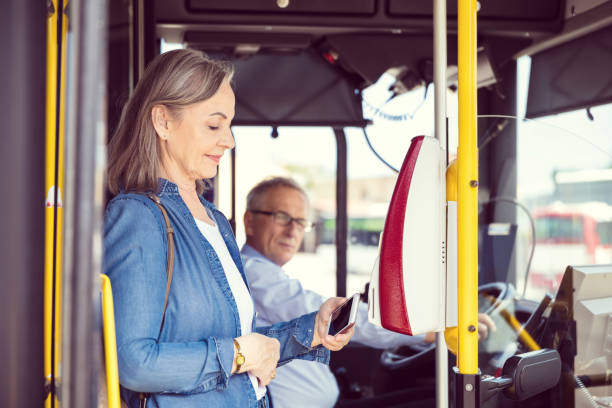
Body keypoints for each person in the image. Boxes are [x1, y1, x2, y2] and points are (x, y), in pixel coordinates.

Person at [103, 49, 354, 408]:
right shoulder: (138, 217)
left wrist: (310, 330)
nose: (229, 140)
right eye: (214, 125)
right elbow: (134, 364)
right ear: (163, 122)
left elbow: (245, 345)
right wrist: (239, 354)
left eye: (230, 125)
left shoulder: (215, 221)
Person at [241, 177, 496, 408]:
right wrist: (429, 327)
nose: (293, 230)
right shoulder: (253, 273)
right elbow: (337, 319)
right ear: (249, 221)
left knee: (434, 399)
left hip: (331, 401)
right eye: (282, 217)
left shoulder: (266, 273)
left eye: (300, 222)